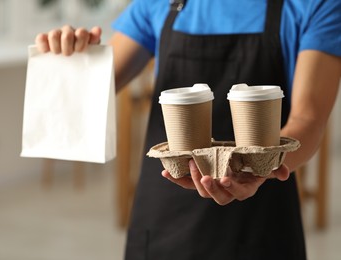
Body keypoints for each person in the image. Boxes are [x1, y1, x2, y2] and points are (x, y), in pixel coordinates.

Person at [35, 0, 341, 259]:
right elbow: (89, 91)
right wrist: (71, 57)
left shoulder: (316, 5)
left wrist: (261, 168)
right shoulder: (160, 3)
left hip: (261, 213)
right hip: (164, 216)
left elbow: (309, 118)